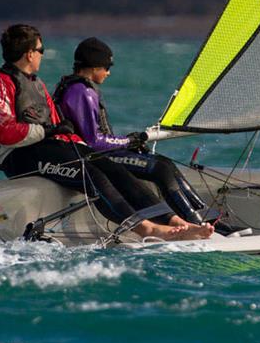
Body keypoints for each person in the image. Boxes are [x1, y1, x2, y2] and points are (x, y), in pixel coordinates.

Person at [0, 24, 213, 241]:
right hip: (20, 157)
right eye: (41, 50)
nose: (42, 55)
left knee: (111, 168)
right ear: (29, 53)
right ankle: (147, 229)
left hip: (48, 149)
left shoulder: (36, 83)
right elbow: (4, 132)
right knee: (92, 176)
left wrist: (78, 143)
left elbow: (60, 129)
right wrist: (48, 131)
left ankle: (175, 221)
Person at [53, 37, 213, 225]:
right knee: (160, 168)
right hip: (96, 157)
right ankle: (198, 223)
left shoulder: (76, 87)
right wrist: (129, 142)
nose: (109, 73)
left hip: (103, 152)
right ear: (95, 66)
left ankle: (207, 218)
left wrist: (130, 144)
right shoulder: (82, 92)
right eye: (107, 67)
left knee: (165, 163)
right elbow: (93, 141)